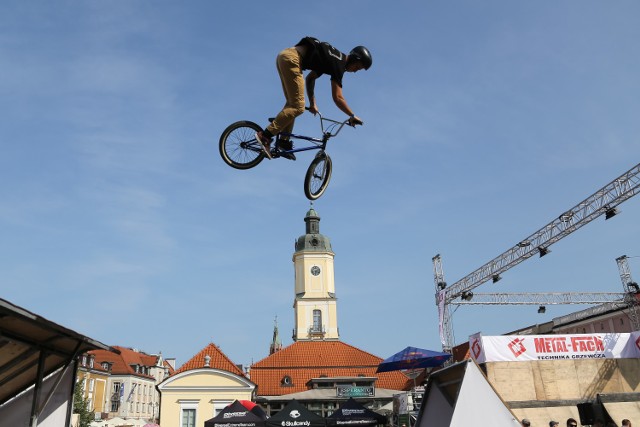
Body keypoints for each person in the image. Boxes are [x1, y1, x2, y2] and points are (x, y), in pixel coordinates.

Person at [255, 36, 372, 160]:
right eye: (357, 67)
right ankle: (265, 136)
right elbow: (338, 97)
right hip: (293, 59)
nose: (355, 71)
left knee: (292, 104)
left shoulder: (333, 58)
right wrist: (352, 116)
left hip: (285, 56)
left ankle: (284, 141)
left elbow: (310, 79)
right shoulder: (339, 64)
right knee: (298, 107)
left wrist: (313, 102)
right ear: (354, 59)